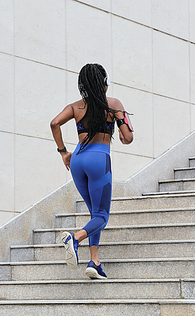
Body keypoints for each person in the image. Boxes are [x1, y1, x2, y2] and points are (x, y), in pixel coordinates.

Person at [50, 63, 134, 279]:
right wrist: (123, 130)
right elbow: (128, 138)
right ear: (103, 83)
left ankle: (94, 262)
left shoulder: (75, 107)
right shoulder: (113, 104)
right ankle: (75, 239)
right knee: (102, 216)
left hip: (77, 160)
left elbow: (54, 123)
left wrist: (63, 152)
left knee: (94, 213)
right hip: (99, 159)